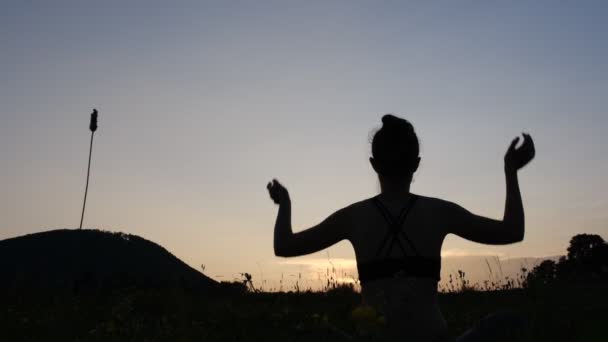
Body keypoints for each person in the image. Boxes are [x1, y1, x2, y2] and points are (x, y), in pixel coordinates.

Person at [267, 114, 535, 341]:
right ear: (416, 163)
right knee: (509, 322)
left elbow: (285, 246)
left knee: (310, 328)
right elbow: (512, 231)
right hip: (433, 338)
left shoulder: (353, 217)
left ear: (373, 165)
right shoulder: (440, 212)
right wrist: (511, 171)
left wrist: (285, 204)